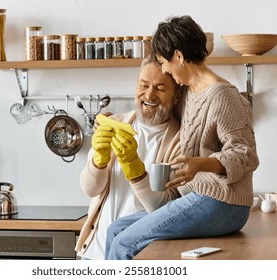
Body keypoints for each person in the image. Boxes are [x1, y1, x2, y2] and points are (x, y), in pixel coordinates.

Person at [105, 15, 259, 260]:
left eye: (164, 62)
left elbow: (246, 154)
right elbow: (154, 105)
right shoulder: (188, 93)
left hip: (224, 203)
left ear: (178, 56)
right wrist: (110, 120)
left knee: (125, 243)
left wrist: (200, 164)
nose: (164, 69)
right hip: (197, 197)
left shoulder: (223, 96)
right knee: (115, 230)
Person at [75, 56, 182, 260]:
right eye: (143, 85)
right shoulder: (112, 123)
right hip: (94, 253)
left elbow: (163, 209)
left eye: (160, 88)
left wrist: (134, 168)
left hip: (138, 255)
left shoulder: (181, 142)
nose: (149, 94)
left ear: (176, 96)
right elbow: (89, 189)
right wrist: (99, 160)